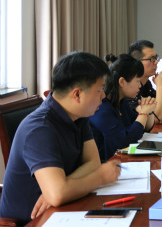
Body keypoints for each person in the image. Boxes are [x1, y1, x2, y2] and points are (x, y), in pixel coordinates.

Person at [0, 52, 121, 224]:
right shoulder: (39, 128)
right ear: (77, 94)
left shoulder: (79, 115)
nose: (103, 96)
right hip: (31, 221)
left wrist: (62, 188)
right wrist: (99, 178)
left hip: (64, 208)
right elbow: (58, 194)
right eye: (99, 90)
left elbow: (93, 162)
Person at [89, 54, 156, 161]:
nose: (140, 85)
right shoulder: (101, 108)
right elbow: (123, 141)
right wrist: (143, 113)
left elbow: (142, 128)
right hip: (105, 165)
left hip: (120, 159)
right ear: (122, 82)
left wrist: (149, 110)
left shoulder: (122, 101)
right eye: (137, 81)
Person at [127, 39, 162, 122]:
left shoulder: (146, 83)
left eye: (156, 58)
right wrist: (160, 86)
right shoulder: (129, 87)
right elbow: (156, 118)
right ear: (137, 62)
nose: (156, 62)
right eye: (152, 59)